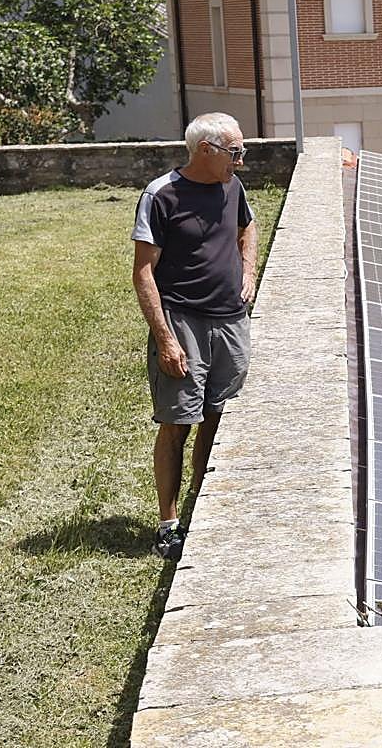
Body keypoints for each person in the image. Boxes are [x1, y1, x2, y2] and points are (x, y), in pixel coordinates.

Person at [131, 113, 258, 561]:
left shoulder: (232, 188)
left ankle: (203, 505)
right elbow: (143, 274)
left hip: (230, 321)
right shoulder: (160, 195)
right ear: (206, 149)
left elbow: (247, 227)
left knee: (216, 415)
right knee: (177, 422)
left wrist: (249, 270)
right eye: (235, 152)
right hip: (183, 321)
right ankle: (168, 525)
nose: (241, 161)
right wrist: (165, 338)